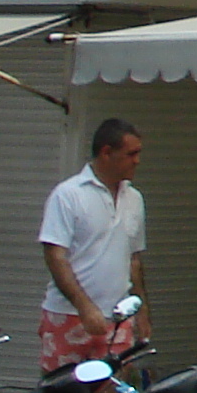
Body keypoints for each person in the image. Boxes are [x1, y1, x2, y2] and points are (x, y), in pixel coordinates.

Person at [37, 119, 145, 374]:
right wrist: (84, 306)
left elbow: (134, 259)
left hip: (118, 318)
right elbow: (55, 255)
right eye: (131, 154)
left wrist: (142, 310)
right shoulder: (69, 194)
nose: (137, 161)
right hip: (69, 314)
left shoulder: (134, 199)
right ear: (106, 152)